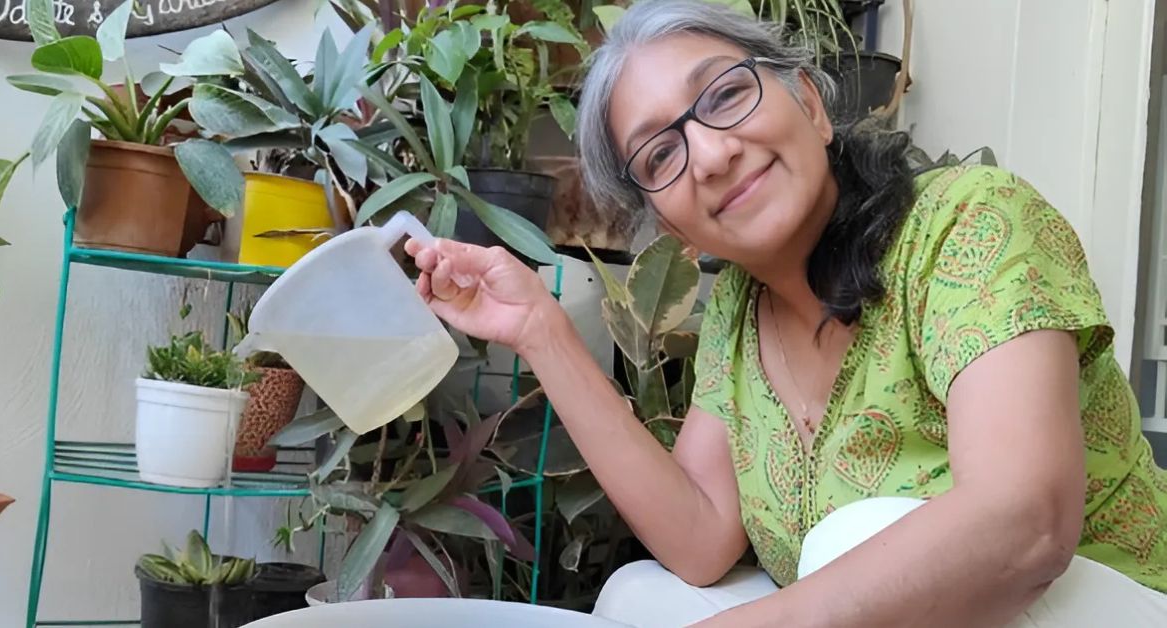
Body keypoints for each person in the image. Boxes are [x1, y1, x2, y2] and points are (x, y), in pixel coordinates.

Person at [404, 0, 1167, 625]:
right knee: (640, 599)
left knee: (853, 541)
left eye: (726, 95)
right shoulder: (739, 311)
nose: (709, 155)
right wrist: (540, 328)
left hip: (1103, 607)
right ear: (668, 224)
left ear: (808, 102)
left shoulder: (968, 223)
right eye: (660, 156)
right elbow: (700, 540)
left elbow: (1024, 521)